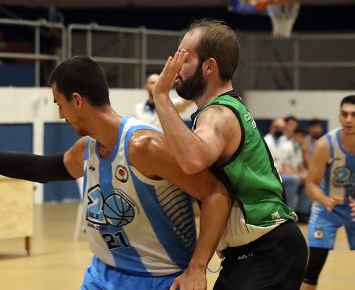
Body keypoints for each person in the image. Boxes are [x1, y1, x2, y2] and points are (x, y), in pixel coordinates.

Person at [0, 56, 232, 290]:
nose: (60, 115)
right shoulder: (86, 148)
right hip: (102, 274)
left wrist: (197, 267)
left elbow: (215, 193)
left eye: (59, 104)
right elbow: (38, 168)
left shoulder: (144, 146)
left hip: (157, 278)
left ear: (77, 100)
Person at [152, 19, 308, 289]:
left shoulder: (219, 114)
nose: (175, 68)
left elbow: (192, 160)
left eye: (184, 59)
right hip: (248, 254)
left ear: (209, 66)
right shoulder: (218, 110)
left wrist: (161, 97)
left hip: (269, 249)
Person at [301, 95, 355, 290]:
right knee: (312, 267)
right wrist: (324, 199)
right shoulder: (325, 145)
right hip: (328, 209)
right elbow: (311, 184)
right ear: (339, 116)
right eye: (345, 114)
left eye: (354, 115)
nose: (349, 119)